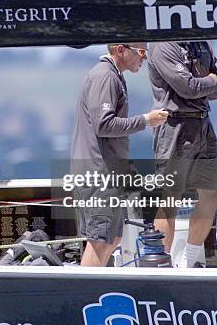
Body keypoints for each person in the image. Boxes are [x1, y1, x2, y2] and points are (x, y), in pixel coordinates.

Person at [70, 43, 169, 267]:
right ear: (121, 49)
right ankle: (84, 297)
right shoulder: (106, 77)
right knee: (101, 242)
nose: (144, 58)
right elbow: (103, 125)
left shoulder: (111, 76)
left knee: (111, 238)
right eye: (141, 52)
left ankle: (89, 294)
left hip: (104, 173)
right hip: (98, 175)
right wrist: (146, 120)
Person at [147, 41, 217, 268]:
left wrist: (203, 84)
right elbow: (188, 87)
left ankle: (188, 262)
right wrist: (209, 80)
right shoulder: (163, 46)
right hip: (174, 126)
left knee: (211, 195)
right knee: (170, 198)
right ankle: (161, 266)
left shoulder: (201, 43)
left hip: (203, 123)